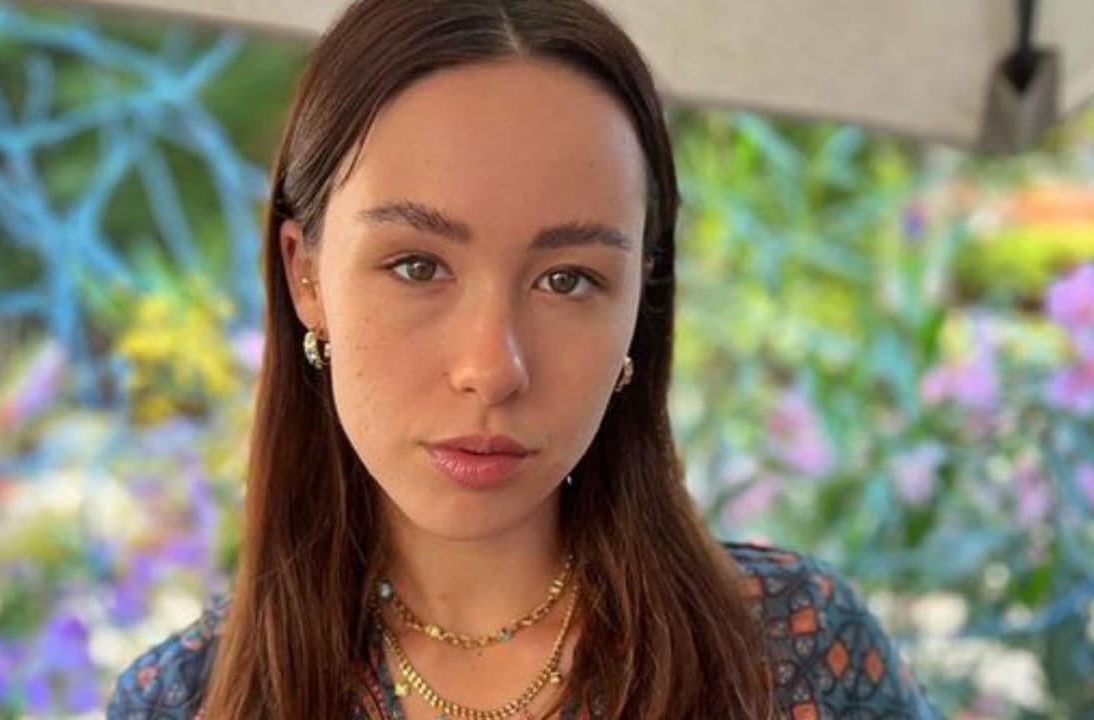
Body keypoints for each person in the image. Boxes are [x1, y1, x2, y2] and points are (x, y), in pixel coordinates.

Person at [108, 0, 942, 718]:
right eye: (417, 266)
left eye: (568, 280)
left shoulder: (788, 651)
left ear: (639, 303)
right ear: (306, 276)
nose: (492, 367)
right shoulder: (187, 701)